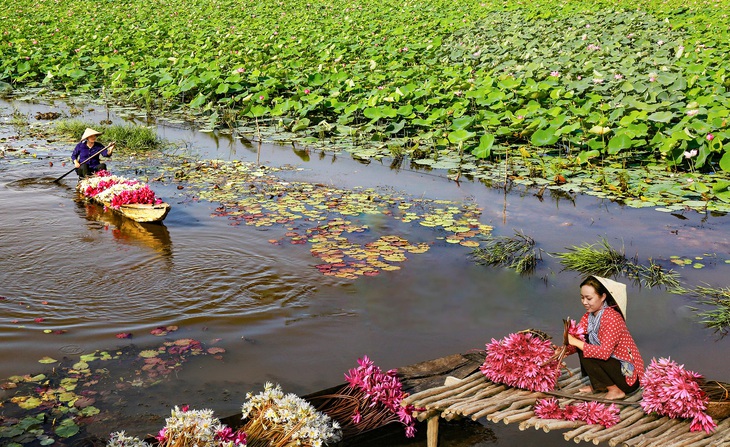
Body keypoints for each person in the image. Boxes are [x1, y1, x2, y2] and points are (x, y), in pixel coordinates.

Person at [564, 275, 644, 400]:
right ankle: (600, 385)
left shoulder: (612, 318)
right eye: (582, 298)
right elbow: (577, 341)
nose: (584, 302)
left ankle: (615, 390)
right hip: (614, 368)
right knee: (583, 342)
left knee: (586, 349)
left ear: (603, 297)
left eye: (589, 298)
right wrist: (563, 351)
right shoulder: (588, 316)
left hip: (628, 378)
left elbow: (604, 353)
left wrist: (576, 342)